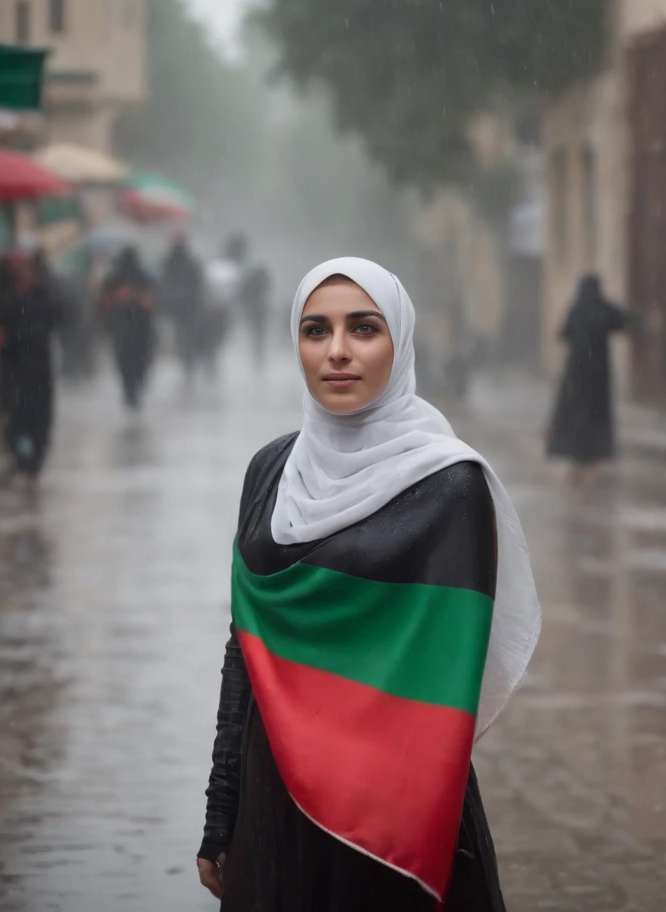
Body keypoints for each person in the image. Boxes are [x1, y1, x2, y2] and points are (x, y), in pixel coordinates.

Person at [197, 257, 541, 911]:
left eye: (363, 328)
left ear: (400, 341)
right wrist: (221, 815)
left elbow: (444, 681)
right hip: (275, 801)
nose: (337, 352)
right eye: (315, 331)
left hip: (395, 813)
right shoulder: (271, 472)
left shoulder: (447, 485)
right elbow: (245, 650)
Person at [546, 273, 637, 480]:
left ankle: (578, 454)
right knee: (594, 415)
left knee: (578, 414)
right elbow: (624, 321)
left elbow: (563, 334)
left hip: (576, 375)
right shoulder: (602, 309)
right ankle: (592, 454)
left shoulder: (577, 310)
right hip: (597, 377)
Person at [0, 243, 67, 479]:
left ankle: (33, 464)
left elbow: (58, 319)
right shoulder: (4, 297)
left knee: (39, 422)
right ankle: (23, 459)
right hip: (12, 370)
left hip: (38, 369)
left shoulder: (44, 296)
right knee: (14, 422)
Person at [101, 246, 157, 410]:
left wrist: (136, 298)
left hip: (130, 328)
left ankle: (131, 391)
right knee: (134, 362)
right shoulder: (128, 277)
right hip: (131, 327)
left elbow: (152, 301)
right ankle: (131, 391)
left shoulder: (119, 277)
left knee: (130, 362)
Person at [159, 235, 206, 376]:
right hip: (188, 307)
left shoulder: (170, 262)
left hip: (178, 307)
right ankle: (187, 363)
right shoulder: (190, 263)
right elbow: (199, 284)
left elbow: (163, 283)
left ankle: (186, 361)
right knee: (186, 336)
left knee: (182, 336)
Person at [240, 262, 273, 365]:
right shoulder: (261, 283)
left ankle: (256, 357)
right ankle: (256, 357)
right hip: (257, 313)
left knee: (255, 336)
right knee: (257, 336)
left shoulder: (253, 282)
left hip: (256, 313)